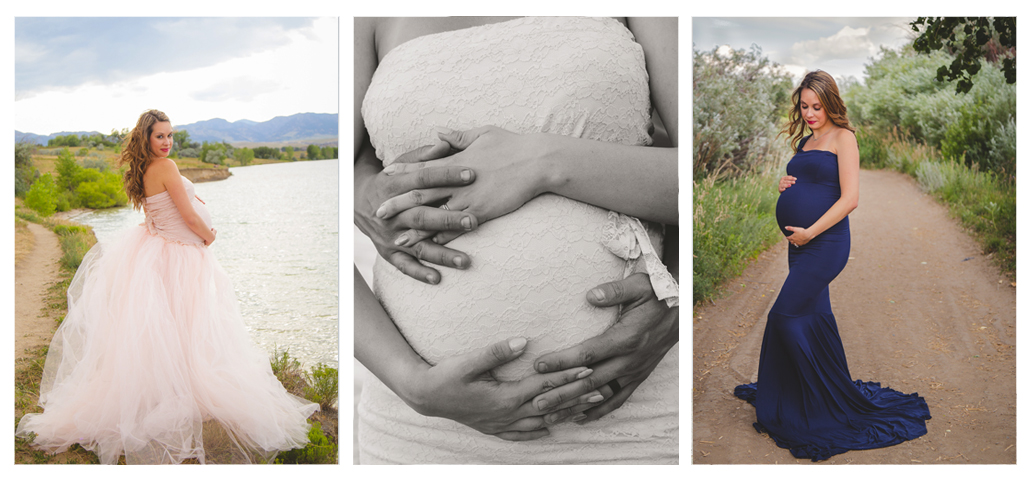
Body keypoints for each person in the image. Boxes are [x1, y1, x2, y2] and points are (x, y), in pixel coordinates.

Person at [354, 17, 679, 463]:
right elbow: (340, 183)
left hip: (629, 411)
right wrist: (412, 384)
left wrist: (541, 162)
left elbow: (703, 180)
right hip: (419, 429)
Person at [16, 109, 319, 464]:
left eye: (170, 135)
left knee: (168, 328)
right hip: (177, 257)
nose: (167, 142)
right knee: (184, 325)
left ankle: (170, 391)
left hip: (158, 251)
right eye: (160, 136)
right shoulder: (168, 167)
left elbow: (161, 210)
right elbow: (187, 217)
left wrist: (189, 204)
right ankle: (179, 393)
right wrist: (209, 237)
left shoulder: (144, 169)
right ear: (146, 139)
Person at [733, 71, 931, 461]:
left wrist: (809, 232)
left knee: (784, 317)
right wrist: (785, 186)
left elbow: (850, 198)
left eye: (816, 106)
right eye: (804, 106)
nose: (809, 113)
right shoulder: (808, 140)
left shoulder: (844, 138)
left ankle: (812, 402)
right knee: (814, 315)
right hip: (800, 244)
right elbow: (807, 180)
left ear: (830, 102)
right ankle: (822, 388)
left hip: (825, 243)